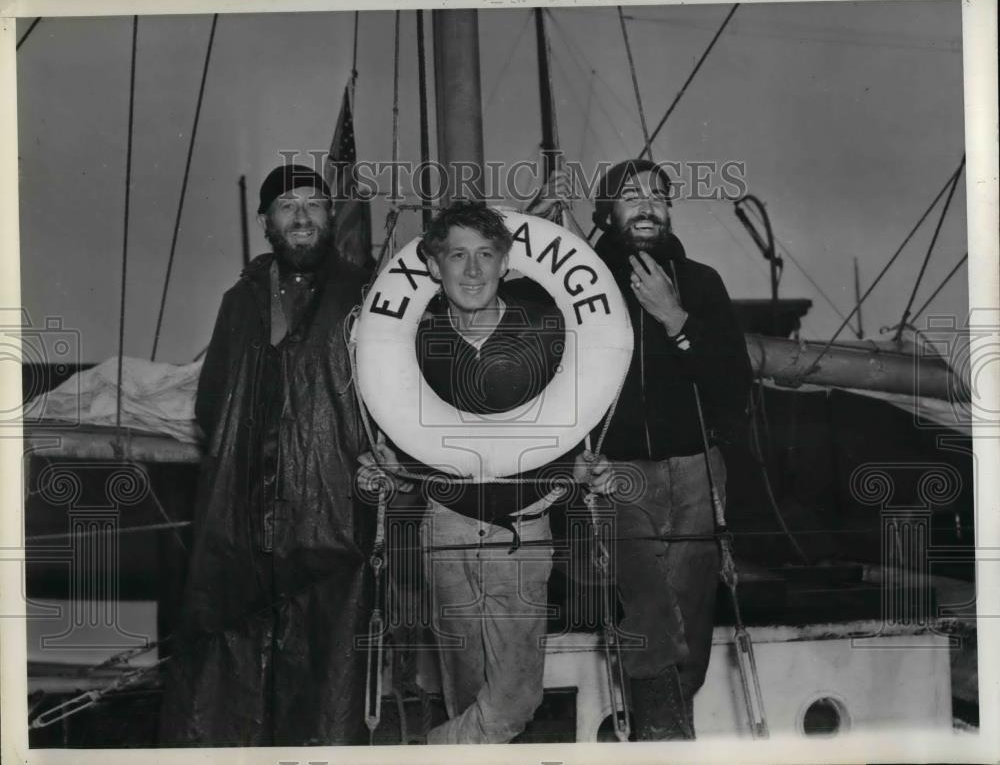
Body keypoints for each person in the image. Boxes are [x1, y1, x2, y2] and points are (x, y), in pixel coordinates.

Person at [358, 201, 594, 745]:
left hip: (523, 526)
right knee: (464, 693)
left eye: (485, 255)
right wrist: (390, 468)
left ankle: (423, 754)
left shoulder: (545, 328)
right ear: (435, 266)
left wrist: (578, 468)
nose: (472, 271)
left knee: (513, 701)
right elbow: (401, 429)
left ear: (505, 263)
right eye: (457, 255)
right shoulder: (413, 341)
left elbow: (574, 413)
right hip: (447, 525)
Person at [533, 159, 753, 739]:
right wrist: (528, 230)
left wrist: (674, 318)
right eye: (631, 195)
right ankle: (668, 742)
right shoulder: (578, 279)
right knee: (651, 616)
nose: (647, 204)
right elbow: (520, 335)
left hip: (697, 474)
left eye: (658, 194)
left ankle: (662, 733)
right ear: (607, 213)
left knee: (693, 628)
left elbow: (735, 383)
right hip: (617, 478)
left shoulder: (701, 282)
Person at [158, 164, 371, 746]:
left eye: (314, 204)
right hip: (241, 510)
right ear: (265, 220)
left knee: (326, 650)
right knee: (230, 639)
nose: (301, 217)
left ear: (331, 216)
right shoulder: (239, 300)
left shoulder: (366, 295)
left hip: (330, 507)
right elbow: (212, 403)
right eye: (287, 206)